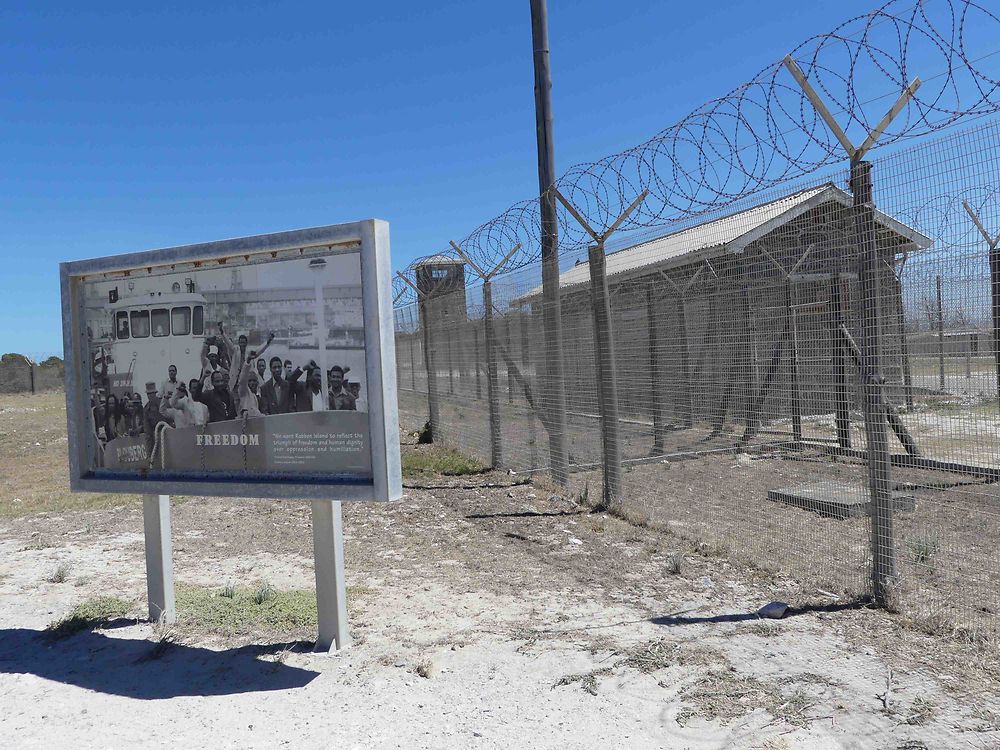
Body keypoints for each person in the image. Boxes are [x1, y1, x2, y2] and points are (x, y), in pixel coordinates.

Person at [142, 382, 171, 456]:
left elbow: (170, 419)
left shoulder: (163, 404)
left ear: (155, 393)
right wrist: (149, 453)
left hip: (167, 434)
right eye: (148, 394)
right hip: (155, 437)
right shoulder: (146, 409)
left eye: (152, 393)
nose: (150, 396)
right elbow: (147, 430)